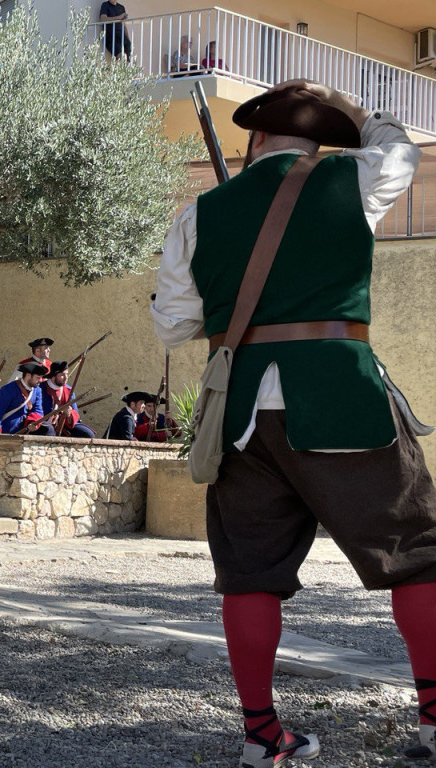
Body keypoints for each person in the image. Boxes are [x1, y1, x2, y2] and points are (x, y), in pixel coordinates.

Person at [151, 79, 435, 766]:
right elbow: (401, 150)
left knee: (249, 575)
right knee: (419, 556)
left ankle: (261, 738)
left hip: (243, 415)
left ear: (254, 140)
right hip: (340, 397)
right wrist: (362, 115)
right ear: (322, 137)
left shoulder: (204, 211)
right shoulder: (352, 175)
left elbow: (174, 324)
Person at [0, 362, 54, 435]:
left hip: (25, 430)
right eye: (38, 378)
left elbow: (37, 410)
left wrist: (32, 422)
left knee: (48, 429)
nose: (40, 381)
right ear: (28, 375)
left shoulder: (37, 390)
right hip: (7, 431)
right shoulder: (8, 389)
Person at [40, 361, 96, 438]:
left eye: (67, 374)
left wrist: (69, 413)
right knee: (49, 430)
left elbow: (76, 414)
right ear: (53, 376)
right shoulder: (40, 389)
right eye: (62, 375)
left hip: (65, 425)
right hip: (45, 424)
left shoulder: (69, 390)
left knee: (87, 434)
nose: (66, 377)